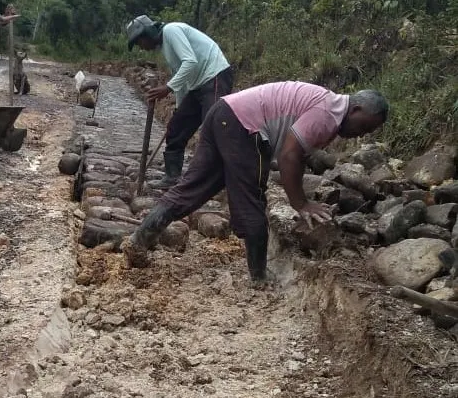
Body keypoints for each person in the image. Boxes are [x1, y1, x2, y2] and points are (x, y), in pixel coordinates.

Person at [121, 82, 389, 283]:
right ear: (355, 109)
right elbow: (289, 155)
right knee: (252, 199)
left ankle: (138, 240)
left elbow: (296, 155)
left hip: (224, 112)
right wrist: (301, 204)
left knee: (192, 187)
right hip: (243, 126)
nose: (362, 134)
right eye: (365, 126)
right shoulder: (329, 113)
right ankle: (259, 278)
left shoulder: (329, 104)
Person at [126, 15, 233, 189]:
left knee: (212, 128)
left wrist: (166, 88)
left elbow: (190, 62)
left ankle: (217, 179)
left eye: (139, 43)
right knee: (176, 128)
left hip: (215, 76)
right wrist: (179, 107)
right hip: (197, 85)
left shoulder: (171, 30)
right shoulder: (166, 47)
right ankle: (172, 177)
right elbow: (181, 77)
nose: (142, 49)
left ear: (146, 34)